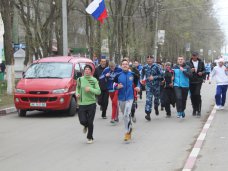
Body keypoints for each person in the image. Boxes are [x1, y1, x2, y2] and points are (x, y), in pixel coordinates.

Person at [114, 59, 140, 141]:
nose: (125, 65)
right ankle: (130, 127)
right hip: (121, 98)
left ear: (128, 66)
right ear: (121, 66)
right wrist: (117, 87)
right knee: (125, 116)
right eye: (123, 64)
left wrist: (138, 87)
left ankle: (127, 132)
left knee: (126, 115)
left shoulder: (132, 75)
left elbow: (138, 83)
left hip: (130, 98)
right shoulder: (118, 75)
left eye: (126, 64)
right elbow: (113, 85)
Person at [76, 65, 101, 144]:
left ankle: (90, 137)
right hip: (82, 103)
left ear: (91, 71)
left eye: (88, 69)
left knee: (90, 122)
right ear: (84, 71)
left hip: (91, 103)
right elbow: (77, 88)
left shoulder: (94, 80)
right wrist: (77, 94)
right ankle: (85, 125)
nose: (87, 71)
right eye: (85, 69)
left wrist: (90, 89)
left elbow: (98, 91)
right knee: (82, 121)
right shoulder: (79, 79)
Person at [140, 55, 163, 121]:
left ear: (153, 60)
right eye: (148, 59)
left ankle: (156, 107)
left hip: (156, 86)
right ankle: (148, 114)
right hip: (148, 86)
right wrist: (141, 79)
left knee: (156, 99)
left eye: (150, 59)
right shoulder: (145, 67)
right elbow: (142, 74)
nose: (149, 60)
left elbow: (161, 75)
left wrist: (154, 77)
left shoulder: (157, 66)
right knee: (148, 100)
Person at [186, 51, 205, 117]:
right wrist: (190, 70)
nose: (194, 57)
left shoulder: (201, 62)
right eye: (193, 56)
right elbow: (186, 71)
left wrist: (202, 73)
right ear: (191, 56)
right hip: (191, 81)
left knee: (197, 94)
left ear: (197, 56)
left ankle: (199, 110)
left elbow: (204, 70)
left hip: (198, 81)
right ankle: (194, 109)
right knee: (192, 95)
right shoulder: (188, 63)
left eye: (195, 56)